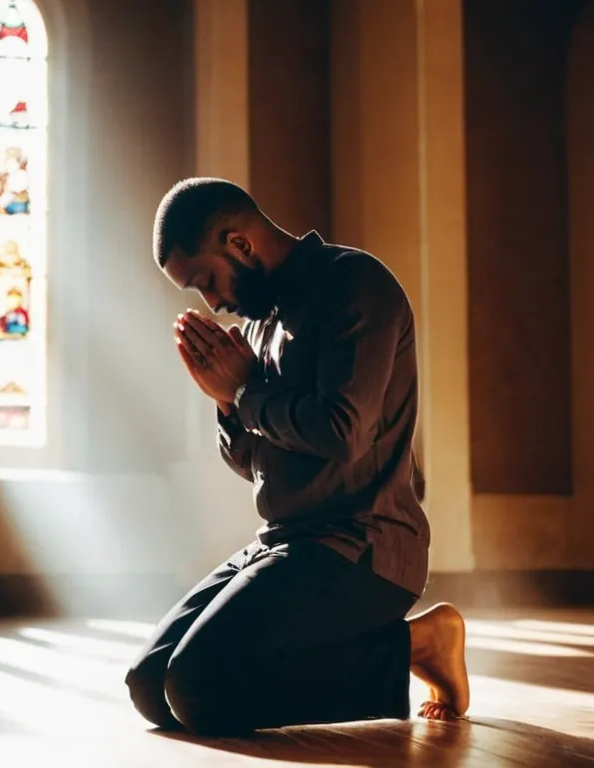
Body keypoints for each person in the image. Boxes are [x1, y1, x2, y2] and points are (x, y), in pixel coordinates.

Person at [123, 177, 470, 736]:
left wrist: (243, 394)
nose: (212, 302)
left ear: (239, 244)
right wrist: (229, 407)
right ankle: (404, 647)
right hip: (286, 543)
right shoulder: (258, 324)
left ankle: (418, 643)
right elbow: (252, 464)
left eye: (206, 280)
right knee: (149, 685)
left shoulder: (355, 286)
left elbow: (343, 433)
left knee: (197, 687)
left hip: (364, 548)